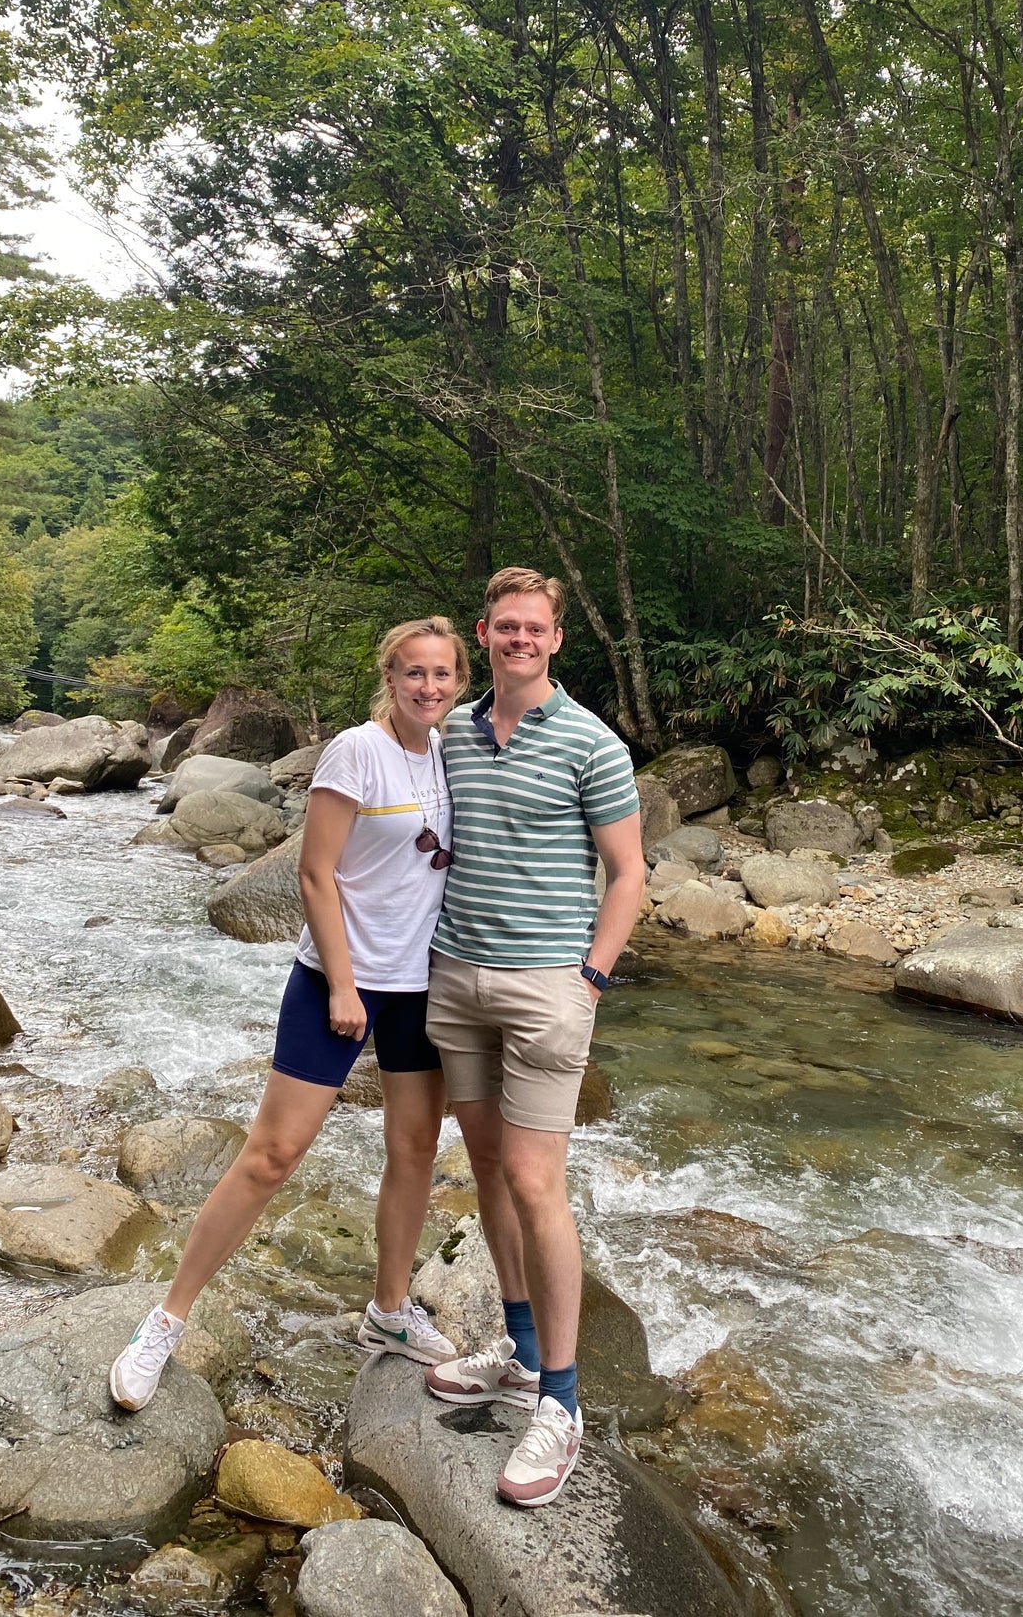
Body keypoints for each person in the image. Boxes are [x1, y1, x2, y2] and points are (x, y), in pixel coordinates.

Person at [109, 617, 469, 1410]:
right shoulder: (355, 749)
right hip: (334, 980)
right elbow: (314, 873)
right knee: (271, 1154)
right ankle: (165, 1320)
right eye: (414, 673)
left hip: (420, 985)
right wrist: (343, 983)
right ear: (390, 674)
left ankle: (389, 1311)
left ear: (458, 679)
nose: (429, 687)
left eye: (442, 675)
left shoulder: (450, 752)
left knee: (412, 1151)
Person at [422, 567, 646, 1507]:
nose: (519, 638)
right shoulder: (452, 737)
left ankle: (561, 1400)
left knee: (533, 1180)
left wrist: (589, 979)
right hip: (454, 976)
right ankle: (515, 1353)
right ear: (485, 633)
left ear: (556, 638)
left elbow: (629, 873)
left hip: (548, 987)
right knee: (484, 1169)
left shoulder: (592, 742)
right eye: (504, 626)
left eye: (534, 627)